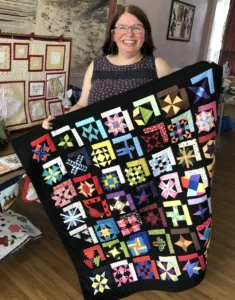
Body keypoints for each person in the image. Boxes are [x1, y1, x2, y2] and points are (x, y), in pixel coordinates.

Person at [42, 4, 172, 130]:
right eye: (122, 27)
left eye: (137, 28)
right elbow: (82, 105)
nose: (129, 34)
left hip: (144, 146)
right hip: (100, 146)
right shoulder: (97, 65)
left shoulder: (158, 66)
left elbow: (173, 110)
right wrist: (59, 122)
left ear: (145, 33)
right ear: (114, 34)